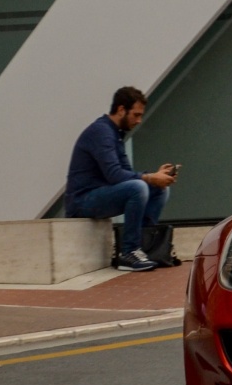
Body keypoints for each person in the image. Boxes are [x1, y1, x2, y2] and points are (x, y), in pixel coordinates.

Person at [65, 86, 177, 272]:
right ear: (121, 110)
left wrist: (156, 178)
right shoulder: (101, 132)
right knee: (138, 188)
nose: (139, 120)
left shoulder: (115, 135)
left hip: (101, 195)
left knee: (159, 189)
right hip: (81, 202)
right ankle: (128, 252)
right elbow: (115, 175)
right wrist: (150, 178)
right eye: (136, 115)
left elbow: (126, 172)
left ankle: (145, 248)